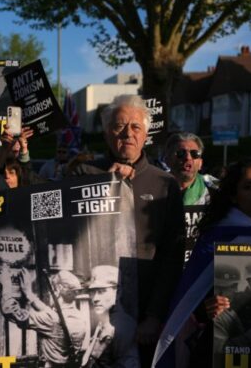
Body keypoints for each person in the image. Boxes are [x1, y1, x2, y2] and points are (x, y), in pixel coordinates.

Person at [67, 94, 185, 364]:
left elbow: (172, 256)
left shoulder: (165, 185)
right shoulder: (83, 174)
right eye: (119, 126)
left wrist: (154, 316)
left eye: (135, 127)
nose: (128, 134)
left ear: (146, 135)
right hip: (91, 318)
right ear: (107, 133)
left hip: (145, 318)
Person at [156, 159, 251, 368]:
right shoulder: (217, 236)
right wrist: (206, 309)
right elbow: (191, 296)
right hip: (223, 350)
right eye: (249, 187)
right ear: (233, 195)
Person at [1, 268, 88, 367]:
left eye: (52, 290)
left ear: (59, 289)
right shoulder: (79, 316)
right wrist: (29, 294)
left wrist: (6, 284)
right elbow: (51, 313)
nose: (50, 294)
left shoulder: (52, 320)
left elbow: (9, 310)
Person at [83, 265, 139, 368]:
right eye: (92, 292)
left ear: (117, 292)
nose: (95, 298)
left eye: (101, 291)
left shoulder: (122, 325)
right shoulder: (105, 319)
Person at [164, 132, 216, 206]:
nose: (188, 158)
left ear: (200, 163)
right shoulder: (154, 187)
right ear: (167, 160)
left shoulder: (213, 186)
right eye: (181, 153)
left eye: (195, 154)